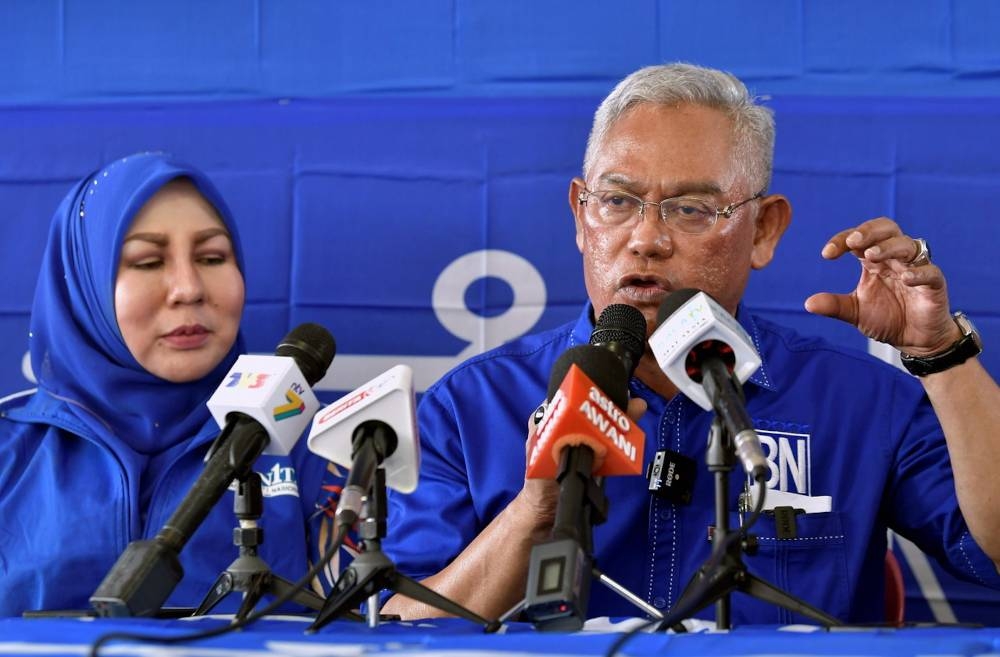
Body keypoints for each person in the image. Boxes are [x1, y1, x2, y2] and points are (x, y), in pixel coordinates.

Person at [381, 63, 1000, 625]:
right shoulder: (472, 405)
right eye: (618, 201)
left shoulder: (860, 402)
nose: (646, 239)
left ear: (764, 229)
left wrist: (941, 355)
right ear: (579, 215)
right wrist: (537, 509)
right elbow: (401, 627)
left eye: (691, 209)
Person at [0, 152, 333, 617]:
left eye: (213, 256)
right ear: (84, 286)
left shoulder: (317, 440)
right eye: (148, 261)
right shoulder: (10, 447)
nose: (188, 287)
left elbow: (382, 618)